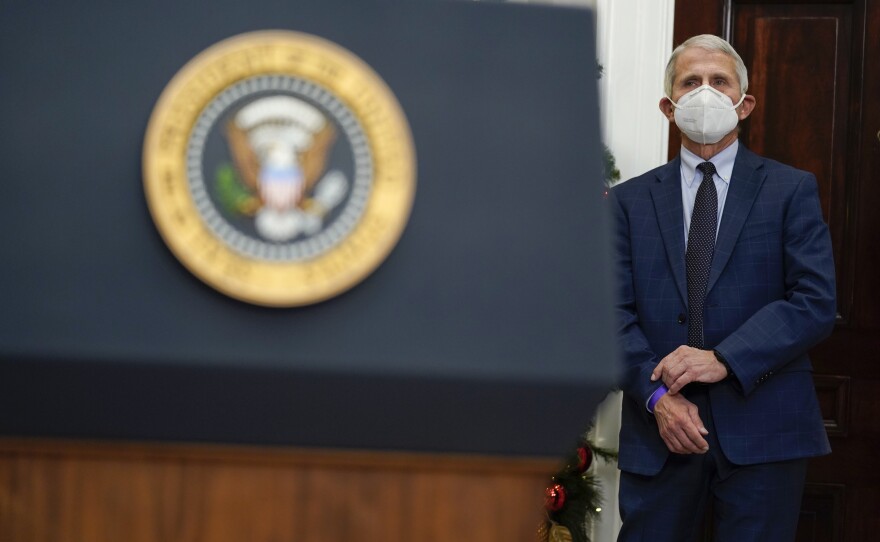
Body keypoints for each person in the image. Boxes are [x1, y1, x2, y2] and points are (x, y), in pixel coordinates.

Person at [609, 34, 836, 541]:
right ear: (669, 107)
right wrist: (657, 397)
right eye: (691, 82)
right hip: (660, 434)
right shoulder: (627, 202)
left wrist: (724, 358)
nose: (705, 92)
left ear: (744, 102)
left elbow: (815, 302)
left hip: (766, 429)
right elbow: (607, 313)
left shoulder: (790, 189)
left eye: (719, 81)